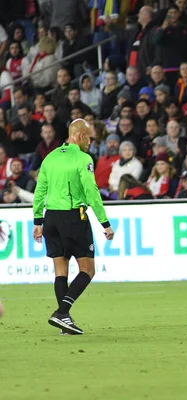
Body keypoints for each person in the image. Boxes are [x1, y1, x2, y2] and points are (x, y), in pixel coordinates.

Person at [32, 119, 114, 335]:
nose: (90, 142)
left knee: (61, 271)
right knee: (88, 269)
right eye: (89, 138)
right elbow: (92, 192)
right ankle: (62, 312)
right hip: (73, 218)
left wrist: (38, 221)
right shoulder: (83, 158)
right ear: (80, 136)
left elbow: (40, 190)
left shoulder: (50, 158)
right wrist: (104, 222)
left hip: (51, 219)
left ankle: (64, 322)